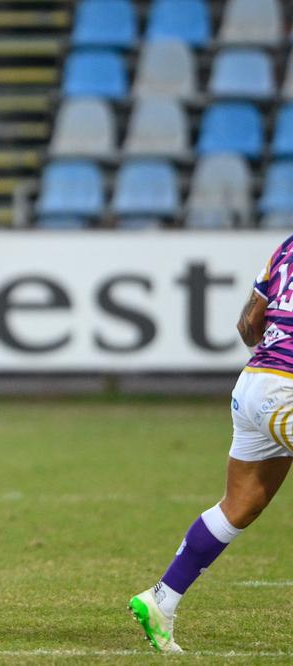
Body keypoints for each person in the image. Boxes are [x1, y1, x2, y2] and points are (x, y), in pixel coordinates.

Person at [129, 235, 293, 652]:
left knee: (242, 504)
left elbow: (247, 326)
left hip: (254, 383)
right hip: (286, 390)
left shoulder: (286, 248)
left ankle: (162, 599)